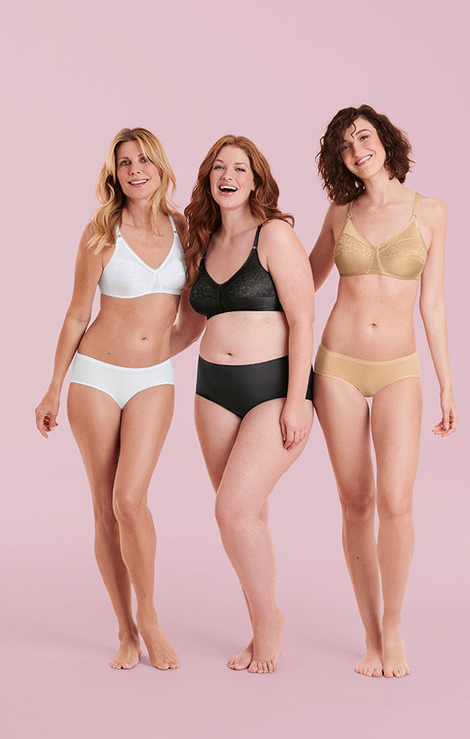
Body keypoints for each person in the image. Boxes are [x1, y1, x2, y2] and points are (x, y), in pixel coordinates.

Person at [310, 105, 457, 678]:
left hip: (398, 369)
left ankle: (392, 626)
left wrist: (446, 384)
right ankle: (370, 634)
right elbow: (304, 281)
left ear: (386, 140)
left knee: (396, 501)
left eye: (364, 137)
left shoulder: (431, 211)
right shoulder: (339, 212)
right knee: (357, 504)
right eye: (345, 147)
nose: (357, 151)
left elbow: (433, 304)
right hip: (337, 368)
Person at [35, 127, 187, 670]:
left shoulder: (184, 228)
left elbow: (195, 311)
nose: (136, 170)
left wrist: (161, 350)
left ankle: (149, 616)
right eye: (125, 163)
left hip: (153, 380)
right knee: (105, 506)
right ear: (114, 174)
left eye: (144, 160)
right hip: (96, 376)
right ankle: (126, 629)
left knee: (131, 500)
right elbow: (78, 313)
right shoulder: (101, 232)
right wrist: (53, 387)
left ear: (160, 166)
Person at [182, 135, 314, 673]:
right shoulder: (201, 240)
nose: (228, 176)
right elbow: (187, 327)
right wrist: (122, 353)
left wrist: (297, 401)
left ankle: (269, 621)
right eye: (219, 167)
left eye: (240, 168)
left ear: (255, 179)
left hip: (273, 388)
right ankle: (260, 625)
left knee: (231, 511)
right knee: (246, 517)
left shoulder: (274, 235)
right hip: (212, 389)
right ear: (208, 179)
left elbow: (303, 320)